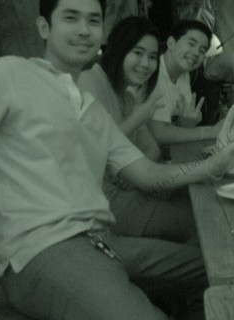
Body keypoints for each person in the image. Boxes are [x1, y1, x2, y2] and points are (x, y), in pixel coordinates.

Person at [0, 0, 234, 320]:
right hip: (38, 253)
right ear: (44, 27)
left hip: (102, 241)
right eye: (70, 18)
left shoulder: (91, 109)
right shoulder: (11, 74)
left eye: (93, 20)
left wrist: (212, 165)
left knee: (224, 269)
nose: (83, 30)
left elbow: (148, 174)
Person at [78, 16, 196, 243]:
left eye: (152, 57)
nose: (146, 64)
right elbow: (92, 150)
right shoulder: (88, 82)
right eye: (138, 53)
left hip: (133, 188)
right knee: (198, 219)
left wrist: (128, 174)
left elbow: (153, 150)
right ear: (119, 49)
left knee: (196, 196)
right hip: (101, 203)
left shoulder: (128, 97)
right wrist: (137, 118)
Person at [148, 20, 223, 144]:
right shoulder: (152, 72)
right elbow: (158, 134)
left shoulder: (183, 75)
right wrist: (210, 132)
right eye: (191, 44)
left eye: (202, 50)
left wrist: (186, 123)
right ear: (171, 43)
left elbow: (182, 128)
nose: (196, 53)